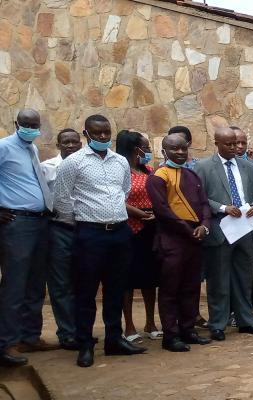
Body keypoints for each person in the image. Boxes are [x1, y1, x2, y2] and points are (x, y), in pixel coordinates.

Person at [54, 114, 146, 367]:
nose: (103, 137)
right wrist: (82, 221)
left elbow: (124, 191)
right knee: (85, 291)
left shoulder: (120, 162)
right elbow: (61, 198)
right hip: (89, 234)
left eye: (106, 132)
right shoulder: (74, 163)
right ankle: (85, 344)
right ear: (86, 134)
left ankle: (114, 340)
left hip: (120, 232)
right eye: (97, 133)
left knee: (116, 289)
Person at [195, 127, 253, 340]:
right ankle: (218, 324)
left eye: (236, 143)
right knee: (219, 279)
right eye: (229, 144)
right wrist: (223, 208)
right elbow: (199, 197)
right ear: (216, 143)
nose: (234, 147)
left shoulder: (249, 166)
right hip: (220, 230)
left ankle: (246, 320)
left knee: (244, 278)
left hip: (246, 229)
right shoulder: (204, 167)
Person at [145, 134, 213, 352]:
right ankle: (171, 335)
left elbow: (204, 204)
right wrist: (187, 230)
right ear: (164, 151)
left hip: (195, 238)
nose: (181, 153)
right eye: (175, 149)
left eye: (184, 148)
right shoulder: (158, 177)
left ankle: (188, 330)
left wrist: (204, 226)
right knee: (170, 289)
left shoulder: (192, 175)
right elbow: (162, 210)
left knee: (191, 287)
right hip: (172, 239)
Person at [0, 109, 57, 367]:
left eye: (35, 125)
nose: (31, 128)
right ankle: (7, 343)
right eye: (26, 124)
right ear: (16, 124)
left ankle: (30, 336)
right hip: (17, 224)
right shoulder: (4, 147)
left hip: (40, 222)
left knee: (36, 283)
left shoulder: (31, 148)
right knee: (14, 285)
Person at [38, 128, 82, 351]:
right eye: (66, 142)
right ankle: (67, 333)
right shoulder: (46, 168)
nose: (71, 145)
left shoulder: (87, 167)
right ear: (58, 145)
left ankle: (82, 331)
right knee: (61, 284)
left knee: (82, 283)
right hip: (59, 230)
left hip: (85, 230)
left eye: (75, 142)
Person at [116, 131, 161, 345]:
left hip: (150, 229)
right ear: (136, 149)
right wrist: (140, 213)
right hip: (129, 228)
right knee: (127, 279)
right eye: (146, 147)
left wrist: (154, 214)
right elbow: (117, 198)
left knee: (149, 279)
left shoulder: (148, 170)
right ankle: (129, 326)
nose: (149, 151)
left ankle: (151, 323)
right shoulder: (120, 171)